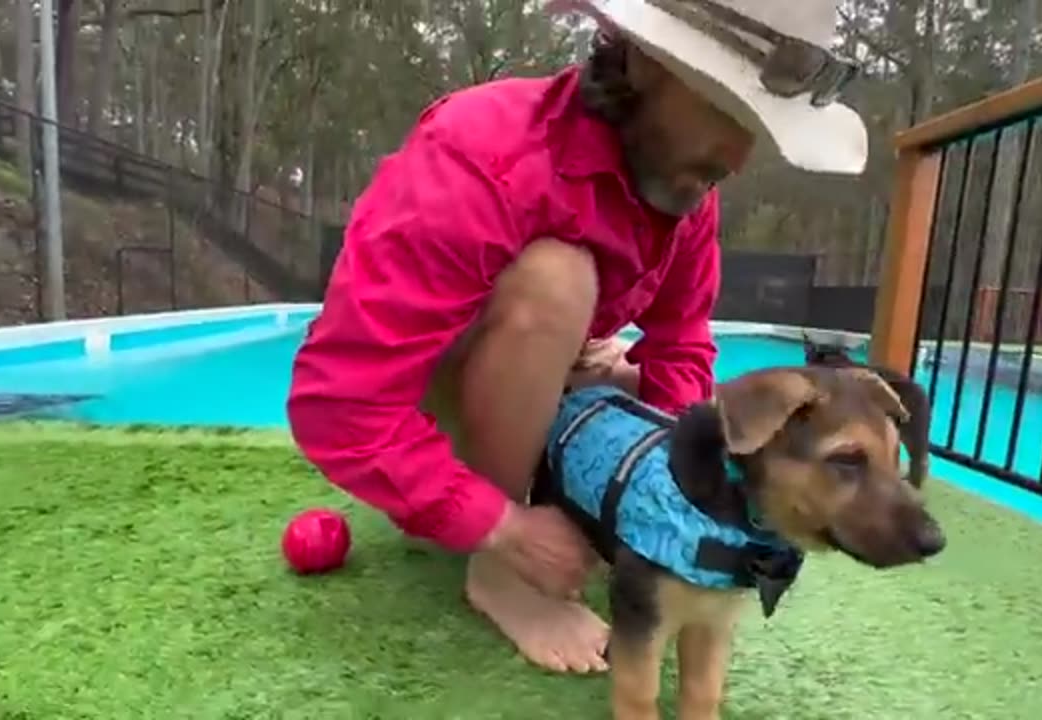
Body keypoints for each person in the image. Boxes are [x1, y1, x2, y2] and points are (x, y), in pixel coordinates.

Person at [287, 0, 867, 675]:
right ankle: (500, 576)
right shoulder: (480, 153)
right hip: (425, 412)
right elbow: (341, 408)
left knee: (628, 374)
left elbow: (679, 346)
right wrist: (504, 528)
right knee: (556, 283)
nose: (737, 159)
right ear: (646, 62)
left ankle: (555, 475)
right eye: (729, 110)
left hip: (534, 387)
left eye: (761, 130)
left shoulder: (688, 192)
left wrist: (670, 490)